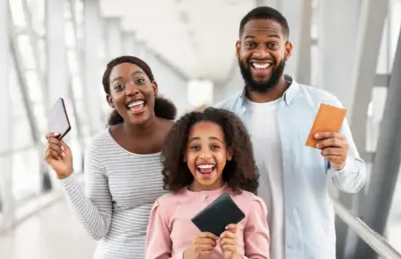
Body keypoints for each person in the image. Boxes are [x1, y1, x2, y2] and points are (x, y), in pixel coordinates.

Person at [213, 6, 368, 259]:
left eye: (271, 44)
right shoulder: (219, 116)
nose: (261, 53)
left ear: (287, 50)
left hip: (309, 251)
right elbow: (206, 189)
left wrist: (342, 163)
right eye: (251, 44)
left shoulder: (321, 106)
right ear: (239, 49)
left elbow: (355, 182)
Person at [44, 55, 177, 258]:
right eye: (119, 87)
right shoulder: (100, 148)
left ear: (154, 88)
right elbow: (98, 229)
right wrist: (66, 176)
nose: (131, 90)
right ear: (111, 101)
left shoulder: (187, 136)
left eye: (140, 81)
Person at [145, 107, 269, 259]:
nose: (204, 155)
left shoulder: (250, 204)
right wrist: (186, 257)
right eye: (195, 147)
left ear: (229, 153)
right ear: (184, 154)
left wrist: (236, 257)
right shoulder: (165, 207)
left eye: (214, 147)